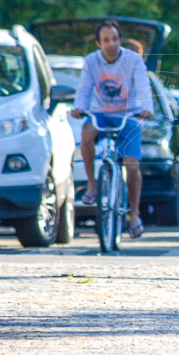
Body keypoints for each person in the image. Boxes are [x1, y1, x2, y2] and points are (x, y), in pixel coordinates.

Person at [71, 20, 154, 239]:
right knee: (87, 133)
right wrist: (79, 107)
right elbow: (85, 88)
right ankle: (92, 185)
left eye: (115, 39)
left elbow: (143, 84)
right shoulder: (91, 61)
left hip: (130, 114)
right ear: (99, 43)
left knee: (132, 165)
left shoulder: (133, 59)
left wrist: (147, 108)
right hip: (102, 114)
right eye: (106, 40)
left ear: (120, 40)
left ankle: (134, 214)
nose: (111, 44)